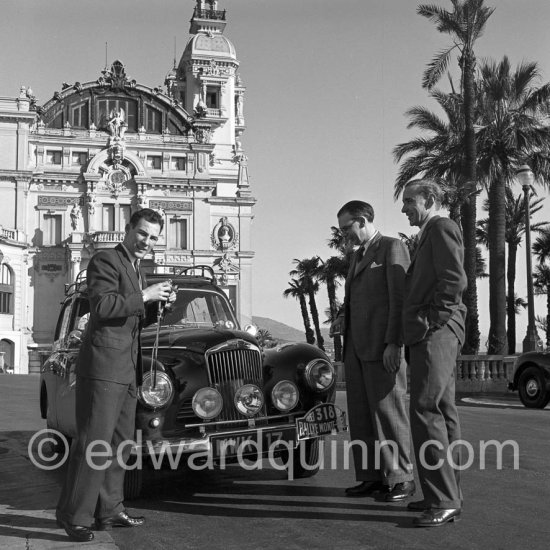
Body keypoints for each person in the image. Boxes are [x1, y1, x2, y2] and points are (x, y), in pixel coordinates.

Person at [56, 208, 176, 542]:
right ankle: (74, 516)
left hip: (125, 369)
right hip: (103, 367)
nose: (146, 242)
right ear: (127, 229)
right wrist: (145, 296)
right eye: (142, 233)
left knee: (121, 442)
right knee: (94, 443)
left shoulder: (136, 269)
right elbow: (103, 306)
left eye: (153, 238)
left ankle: (109, 509)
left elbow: (130, 321)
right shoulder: (106, 260)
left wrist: (155, 306)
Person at [331, 200, 415, 502]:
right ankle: (371, 478)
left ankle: (402, 478)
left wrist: (395, 343)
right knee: (362, 416)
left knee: (389, 414)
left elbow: (400, 300)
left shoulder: (392, 247)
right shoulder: (356, 258)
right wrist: (342, 317)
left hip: (383, 349)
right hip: (355, 348)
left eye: (347, 228)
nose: (344, 236)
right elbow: (355, 301)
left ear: (363, 219)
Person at [400, 179, 467, 527]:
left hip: (437, 333)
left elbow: (454, 280)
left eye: (409, 201)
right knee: (442, 411)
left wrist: (431, 320)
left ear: (429, 199)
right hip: (435, 333)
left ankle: (443, 499)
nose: (404, 208)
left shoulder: (441, 227)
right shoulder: (430, 231)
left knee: (426, 409)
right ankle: (444, 494)